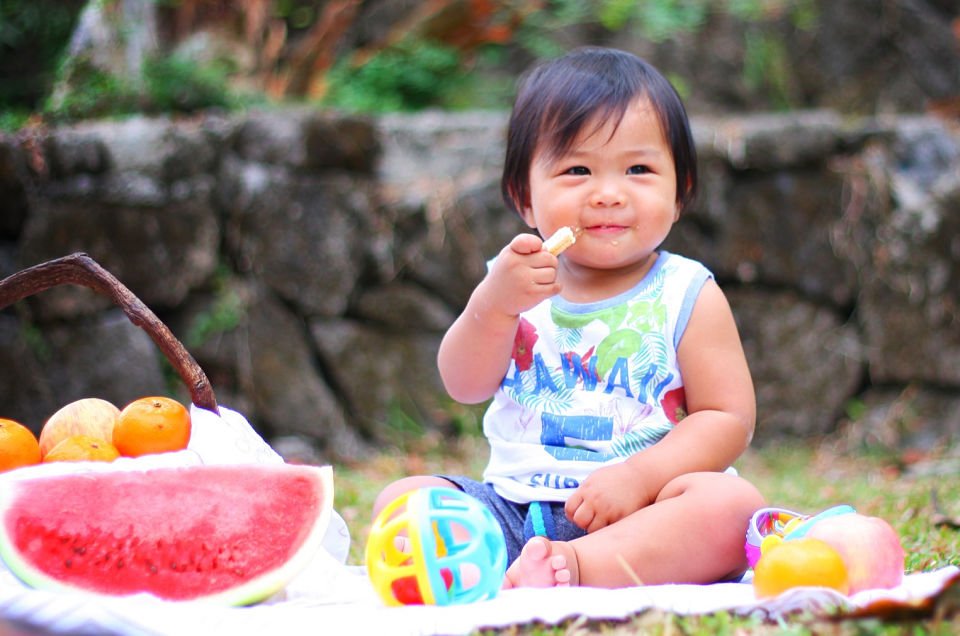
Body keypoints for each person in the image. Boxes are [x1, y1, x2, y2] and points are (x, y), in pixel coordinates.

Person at [372, 46, 765, 589]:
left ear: (680, 194)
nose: (607, 194)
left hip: (644, 510)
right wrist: (493, 305)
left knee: (732, 506)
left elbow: (726, 417)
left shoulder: (686, 292)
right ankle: (521, 565)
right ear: (524, 199)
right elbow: (463, 385)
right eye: (577, 169)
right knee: (403, 500)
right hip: (513, 510)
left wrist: (639, 476)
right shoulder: (513, 281)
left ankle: (579, 568)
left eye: (639, 169)